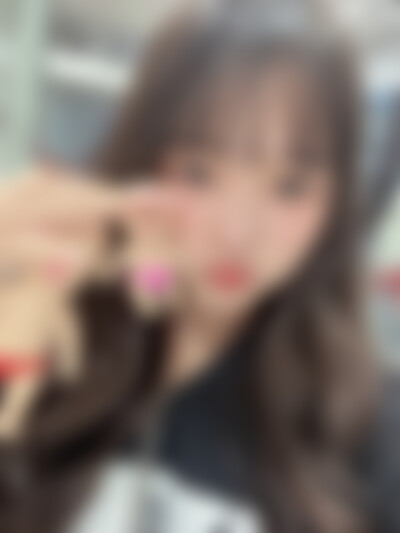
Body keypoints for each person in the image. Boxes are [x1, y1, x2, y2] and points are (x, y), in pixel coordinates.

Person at [0, 1, 399, 532]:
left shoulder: (368, 419)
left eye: (290, 186)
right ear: (142, 164)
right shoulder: (50, 336)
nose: (237, 233)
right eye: (198, 172)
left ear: (335, 202)